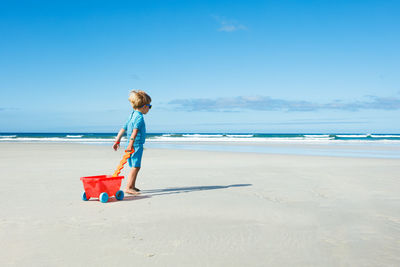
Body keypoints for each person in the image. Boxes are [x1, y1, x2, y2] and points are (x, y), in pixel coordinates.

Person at [113, 90, 152, 195]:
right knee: (136, 166)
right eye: (150, 106)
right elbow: (135, 131)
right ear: (144, 106)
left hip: (130, 144)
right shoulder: (139, 117)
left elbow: (123, 128)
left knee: (134, 165)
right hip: (136, 145)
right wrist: (131, 144)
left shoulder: (132, 115)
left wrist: (117, 140)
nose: (149, 109)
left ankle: (132, 186)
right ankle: (129, 187)